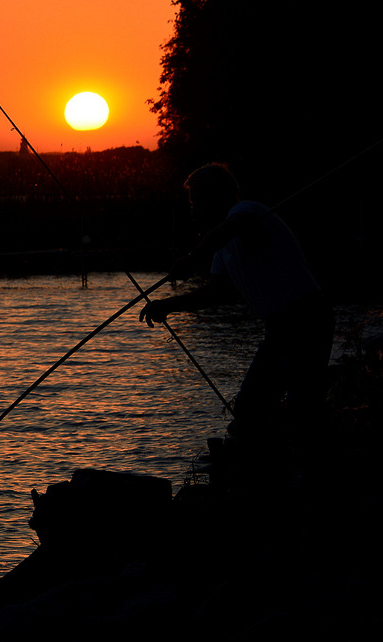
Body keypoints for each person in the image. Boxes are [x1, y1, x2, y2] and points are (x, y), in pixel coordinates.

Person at [140, 163, 334, 456]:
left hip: (306, 317)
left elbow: (235, 227)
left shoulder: (248, 211)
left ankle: (313, 473)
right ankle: (268, 472)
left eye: (196, 202)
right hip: (279, 328)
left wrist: (191, 260)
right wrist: (167, 305)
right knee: (250, 407)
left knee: (302, 403)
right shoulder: (223, 247)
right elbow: (216, 292)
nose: (193, 211)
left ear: (219, 196)